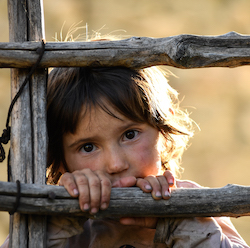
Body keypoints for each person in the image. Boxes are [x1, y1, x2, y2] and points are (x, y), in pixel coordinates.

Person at [1, 65, 248, 248]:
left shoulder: (195, 208)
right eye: (88, 147)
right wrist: (57, 220)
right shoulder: (61, 226)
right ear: (60, 161)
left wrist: (175, 221)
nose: (116, 164)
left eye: (130, 134)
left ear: (162, 130)